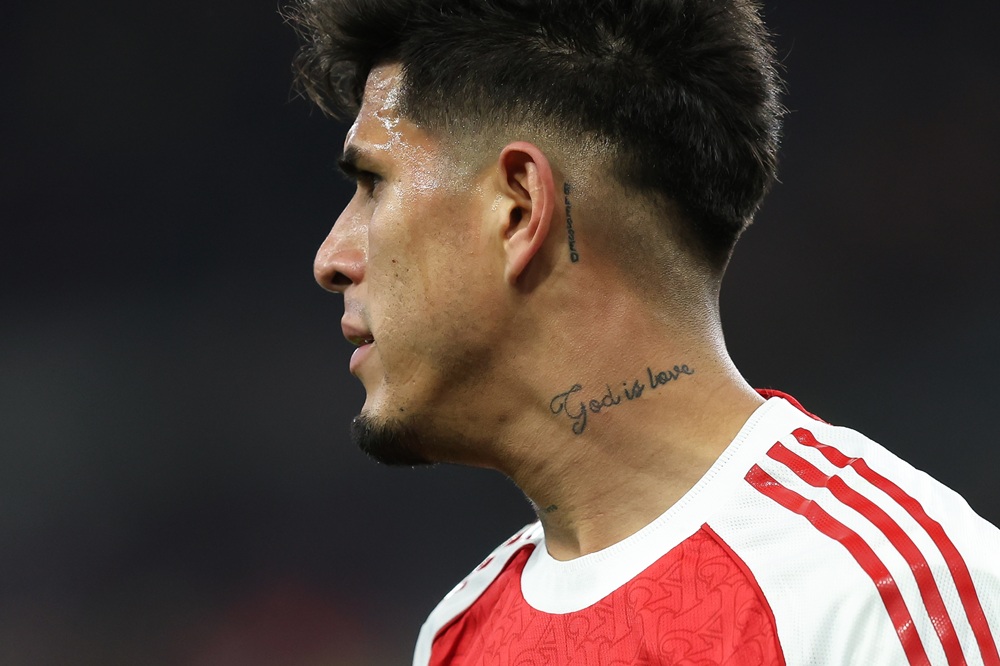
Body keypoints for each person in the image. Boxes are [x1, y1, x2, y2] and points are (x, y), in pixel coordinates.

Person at [289, 0, 1000, 663]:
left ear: (517, 207)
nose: (332, 259)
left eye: (373, 183)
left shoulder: (882, 595)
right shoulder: (458, 635)